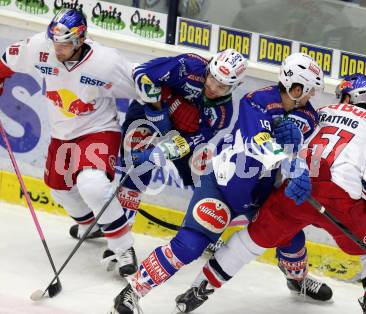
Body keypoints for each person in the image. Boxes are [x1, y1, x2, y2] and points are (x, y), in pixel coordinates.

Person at [110, 52, 332, 314]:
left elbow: (305, 143)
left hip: (264, 193)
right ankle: (132, 292)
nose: (312, 97)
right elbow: (257, 141)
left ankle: (297, 280)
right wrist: (292, 165)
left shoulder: (308, 115)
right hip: (224, 186)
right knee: (190, 245)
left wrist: (298, 153)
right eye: (309, 90)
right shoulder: (256, 101)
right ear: (297, 88)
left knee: (292, 236)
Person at [183, 73, 366, 314]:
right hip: (342, 201)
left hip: (297, 189)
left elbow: (285, 146)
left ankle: (197, 289)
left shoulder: (320, 112)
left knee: (249, 241)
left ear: (345, 95)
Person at [0, 9, 139, 277]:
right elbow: (7, 59)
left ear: (79, 40)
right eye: (54, 42)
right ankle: (93, 225)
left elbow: (143, 86)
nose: (57, 48)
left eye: (63, 44)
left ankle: (123, 247)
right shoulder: (41, 47)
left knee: (93, 185)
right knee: (59, 189)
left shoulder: (106, 62)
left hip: (99, 129)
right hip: (62, 133)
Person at [116, 48, 247, 228]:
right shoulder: (188, 66)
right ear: (208, 67)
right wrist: (157, 112)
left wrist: (160, 152)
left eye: (222, 86)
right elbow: (142, 73)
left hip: (183, 134)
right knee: (135, 167)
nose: (213, 88)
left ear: (235, 86)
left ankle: (203, 228)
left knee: (199, 171)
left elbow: (192, 141)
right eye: (212, 79)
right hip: (150, 111)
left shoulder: (222, 114)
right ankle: (121, 225)